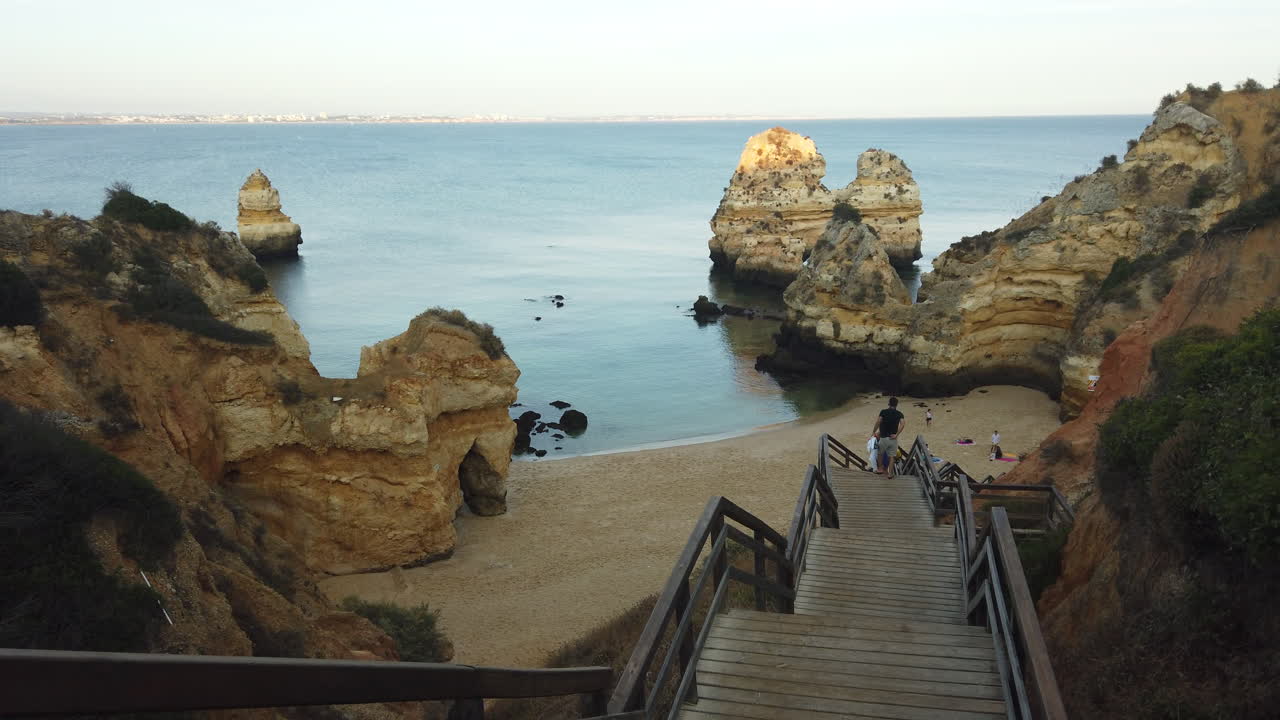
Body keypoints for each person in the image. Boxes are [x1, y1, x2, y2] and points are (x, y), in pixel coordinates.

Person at [871, 397, 906, 478]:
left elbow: (878, 421)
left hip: (883, 438)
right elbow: (903, 424)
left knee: (880, 453)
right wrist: (896, 434)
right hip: (893, 439)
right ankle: (890, 474)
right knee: (892, 457)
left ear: (889, 403)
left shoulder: (883, 412)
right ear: (896, 404)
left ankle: (880, 469)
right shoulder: (899, 414)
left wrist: (874, 431)